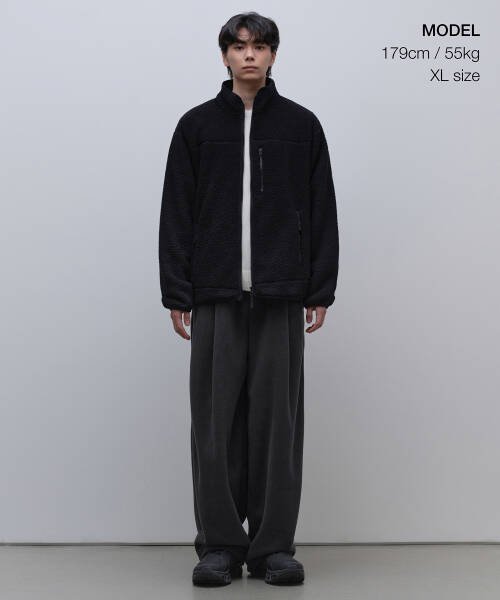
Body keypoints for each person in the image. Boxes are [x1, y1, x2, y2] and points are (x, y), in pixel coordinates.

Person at [158, 11, 339, 587]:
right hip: (214, 294)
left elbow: (322, 208)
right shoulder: (196, 126)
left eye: (260, 47)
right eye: (239, 47)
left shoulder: (301, 126)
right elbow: (176, 210)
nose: (250, 56)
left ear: (274, 55)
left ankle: (272, 549)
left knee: (277, 425)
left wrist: (320, 286)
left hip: (281, 294)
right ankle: (219, 546)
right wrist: (177, 289)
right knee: (213, 425)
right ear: (225, 56)